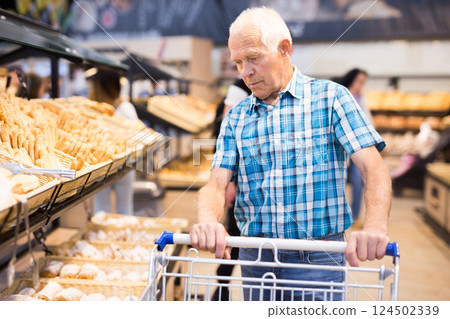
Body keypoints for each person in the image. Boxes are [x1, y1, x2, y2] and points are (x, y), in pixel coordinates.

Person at [190, 7, 391, 301]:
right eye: (238, 62)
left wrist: (374, 225)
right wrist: (208, 219)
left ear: (285, 49)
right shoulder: (236, 119)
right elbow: (215, 185)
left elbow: (374, 168)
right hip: (256, 261)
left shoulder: (331, 98)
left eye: (253, 58)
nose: (245, 72)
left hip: (318, 259)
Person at [211, 78, 251, 301]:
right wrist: (230, 183)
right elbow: (226, 129)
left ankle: (222, 287)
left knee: (237, 232)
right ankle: (221, 287)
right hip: (238, 177)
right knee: (235, 232)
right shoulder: (240, 85)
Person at [90, 69, 138, 215]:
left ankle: (102, 237)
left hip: (100, 166)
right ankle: (125, 238)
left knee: (101, 209)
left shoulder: (93, 111)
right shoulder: (126, 109)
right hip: (125, 164)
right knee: (125, 208)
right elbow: (136, 136)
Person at [338, 68, 372, 228]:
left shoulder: (361, 98)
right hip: (341, 147)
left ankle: (355, 216)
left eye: (363, 82)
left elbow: (367, 120)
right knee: (339, 181)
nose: (361, 85)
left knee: (358, 182)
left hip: (357, 147)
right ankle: (338, 216)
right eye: (359, 81)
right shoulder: (341, 94)